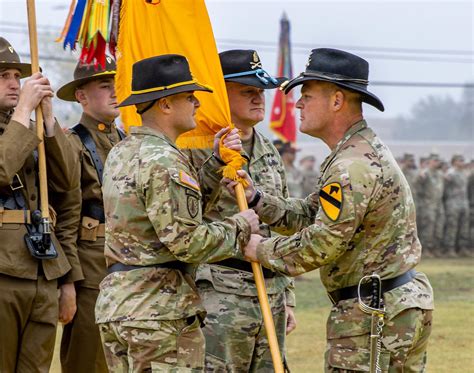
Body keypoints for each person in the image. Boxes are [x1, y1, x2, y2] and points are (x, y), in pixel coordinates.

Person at [225, 48, 434, 371]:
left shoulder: (351, 165)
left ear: (336, 101)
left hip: (372, 314)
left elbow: (321, 243)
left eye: (307, 95)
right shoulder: (355, 152)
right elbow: (310, 214)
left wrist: (259, 249)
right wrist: (256, 200)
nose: (298, 104)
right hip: (390, 304)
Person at [94, 54, 260, 372]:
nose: (197, 103)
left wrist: (212, 167)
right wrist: (240, 226)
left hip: (121, 304)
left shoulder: (122, 150)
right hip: (158, 311)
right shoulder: (165, 160)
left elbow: (157, 214)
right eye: (188, 96)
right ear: (165, 104)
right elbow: (187, 242)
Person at [186, 49, 296, 371]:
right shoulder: (198, 148)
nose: (258, 98)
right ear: (221, 95)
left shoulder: (269, 151)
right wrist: (216, 163)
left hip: (270, 288)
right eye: (248, 91)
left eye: (260, 91)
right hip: (222, 290)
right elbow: (191, 217)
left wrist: (287, 296)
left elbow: (282, 224)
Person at [0, 36, 79, 372]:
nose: (15, 83)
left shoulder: (30, 129)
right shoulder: (19, 124)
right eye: (4, 76)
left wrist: (47, 122)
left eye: (18, 76)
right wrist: (22, 113)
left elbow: (68, 185)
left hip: (43, 269)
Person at [56, 56, 123, 373]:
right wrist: (67, 280)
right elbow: (64, 217)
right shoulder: (71, 143)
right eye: (104, 86)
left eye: (116, 84)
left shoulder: (129, 141)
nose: (115, 92)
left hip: (130, 266)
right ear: (81, 96)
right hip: (92, 269)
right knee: (89, 359)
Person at [415, 153, 444, 258]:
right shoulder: (425, 173)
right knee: (428, 228)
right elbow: (417, 187)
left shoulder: (440, 174)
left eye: (438, 161)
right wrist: (420, 177)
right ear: (430, 162)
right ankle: (426, 249)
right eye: (435, 161)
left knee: (438, 227)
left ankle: (436, 248)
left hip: (439, 204)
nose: (437, 163)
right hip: (428, 204)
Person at [442, 154, 470, 257]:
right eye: (460, 160)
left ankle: (462, 248)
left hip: (463, 203)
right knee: (452, 227)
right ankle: (449, 249)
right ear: (454, 161)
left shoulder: (464, 173)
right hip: (453, 204)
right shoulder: (450, 173)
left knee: (464, 227)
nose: (462, 162)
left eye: (463, 160)